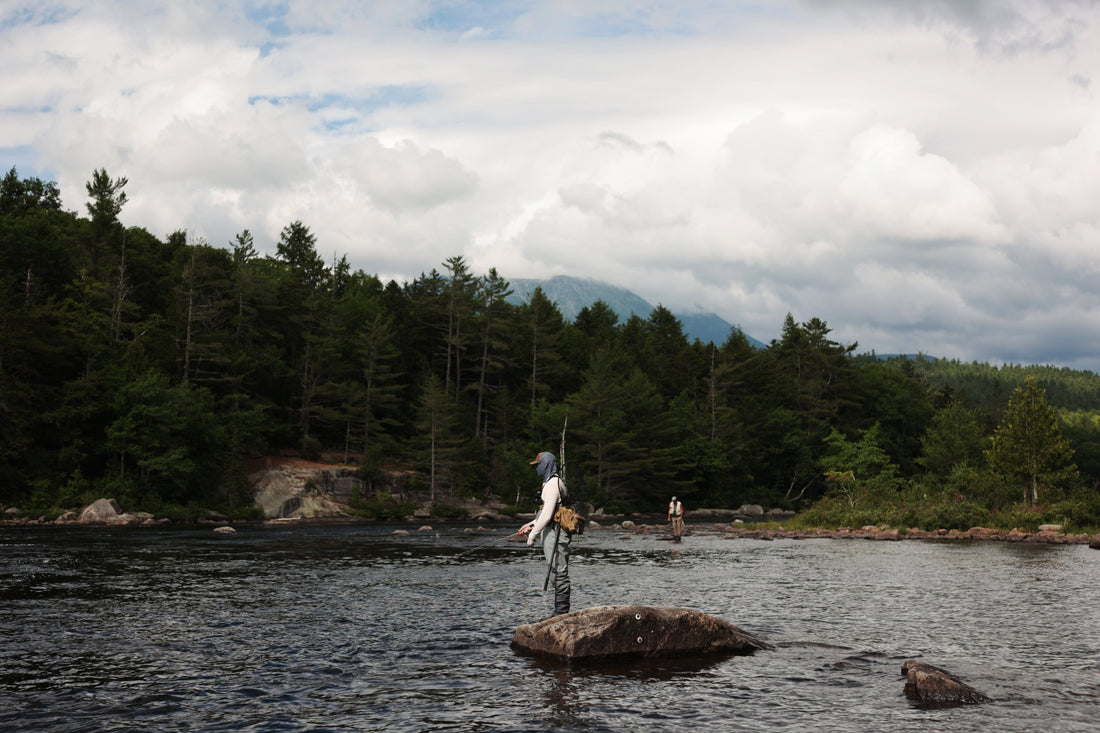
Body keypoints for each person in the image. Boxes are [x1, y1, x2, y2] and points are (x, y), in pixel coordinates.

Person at [518, 451, 571, 617]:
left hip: (557, 534)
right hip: (552, 531)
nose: (536, 469)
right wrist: (530, 525)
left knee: (559, 573)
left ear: (546, 464)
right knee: (555, 572)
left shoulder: (552, 484)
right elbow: (550, 512)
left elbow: (547, 515)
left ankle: (561, 613)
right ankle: (558, 612)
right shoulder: (550, 483)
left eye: (538, 465)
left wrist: (532, 536)